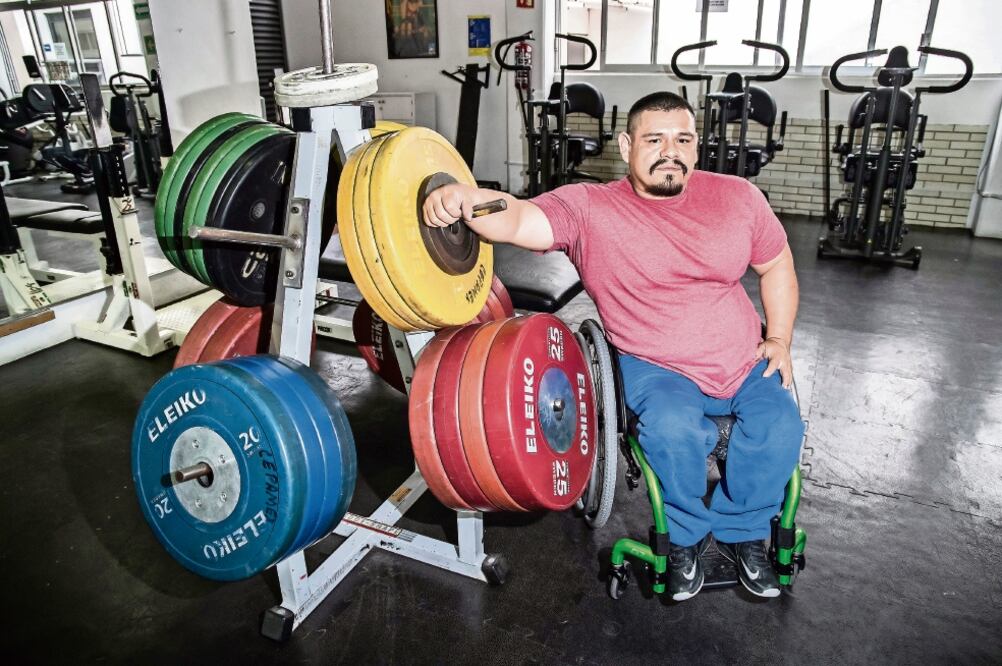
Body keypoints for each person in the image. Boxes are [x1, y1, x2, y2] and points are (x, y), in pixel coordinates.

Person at [422, 91, 805, 601]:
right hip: (658, 366)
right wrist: (466, 200)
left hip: (741, 358)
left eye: (682, 139)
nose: (670, 151)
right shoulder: (589, 208)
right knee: (671, 431)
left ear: (696, 147)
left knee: (781, 423)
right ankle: (686, 539)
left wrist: (778, 338)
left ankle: (745, 532)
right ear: (627, 145)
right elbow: (516, 219)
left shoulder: (738, 197)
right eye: (654, 139)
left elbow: (776, 263)